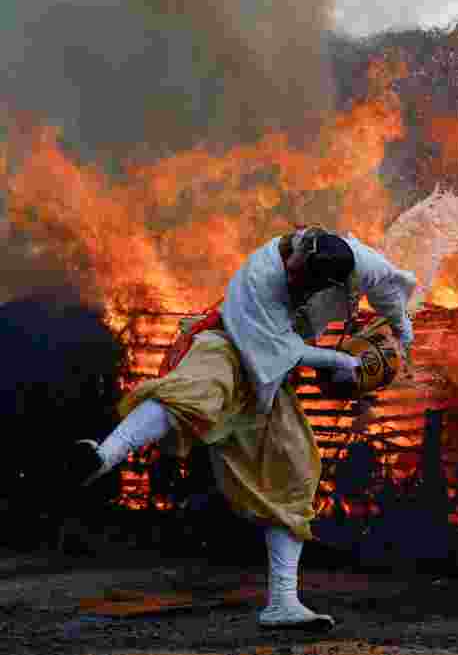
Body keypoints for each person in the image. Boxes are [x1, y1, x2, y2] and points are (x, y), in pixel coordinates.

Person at [67, 226, 417, 629]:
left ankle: (282, 604)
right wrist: (339, 362)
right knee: (199, 390)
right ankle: (101, 456)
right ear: (293, 257)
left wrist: (403, 339)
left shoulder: (360, 263)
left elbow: (389, 290)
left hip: (270, 379)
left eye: (308, 285)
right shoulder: (261, 276)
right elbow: (285, 350)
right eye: (294, 276)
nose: (296, 285)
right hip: (229, 343)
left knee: (295, 472)